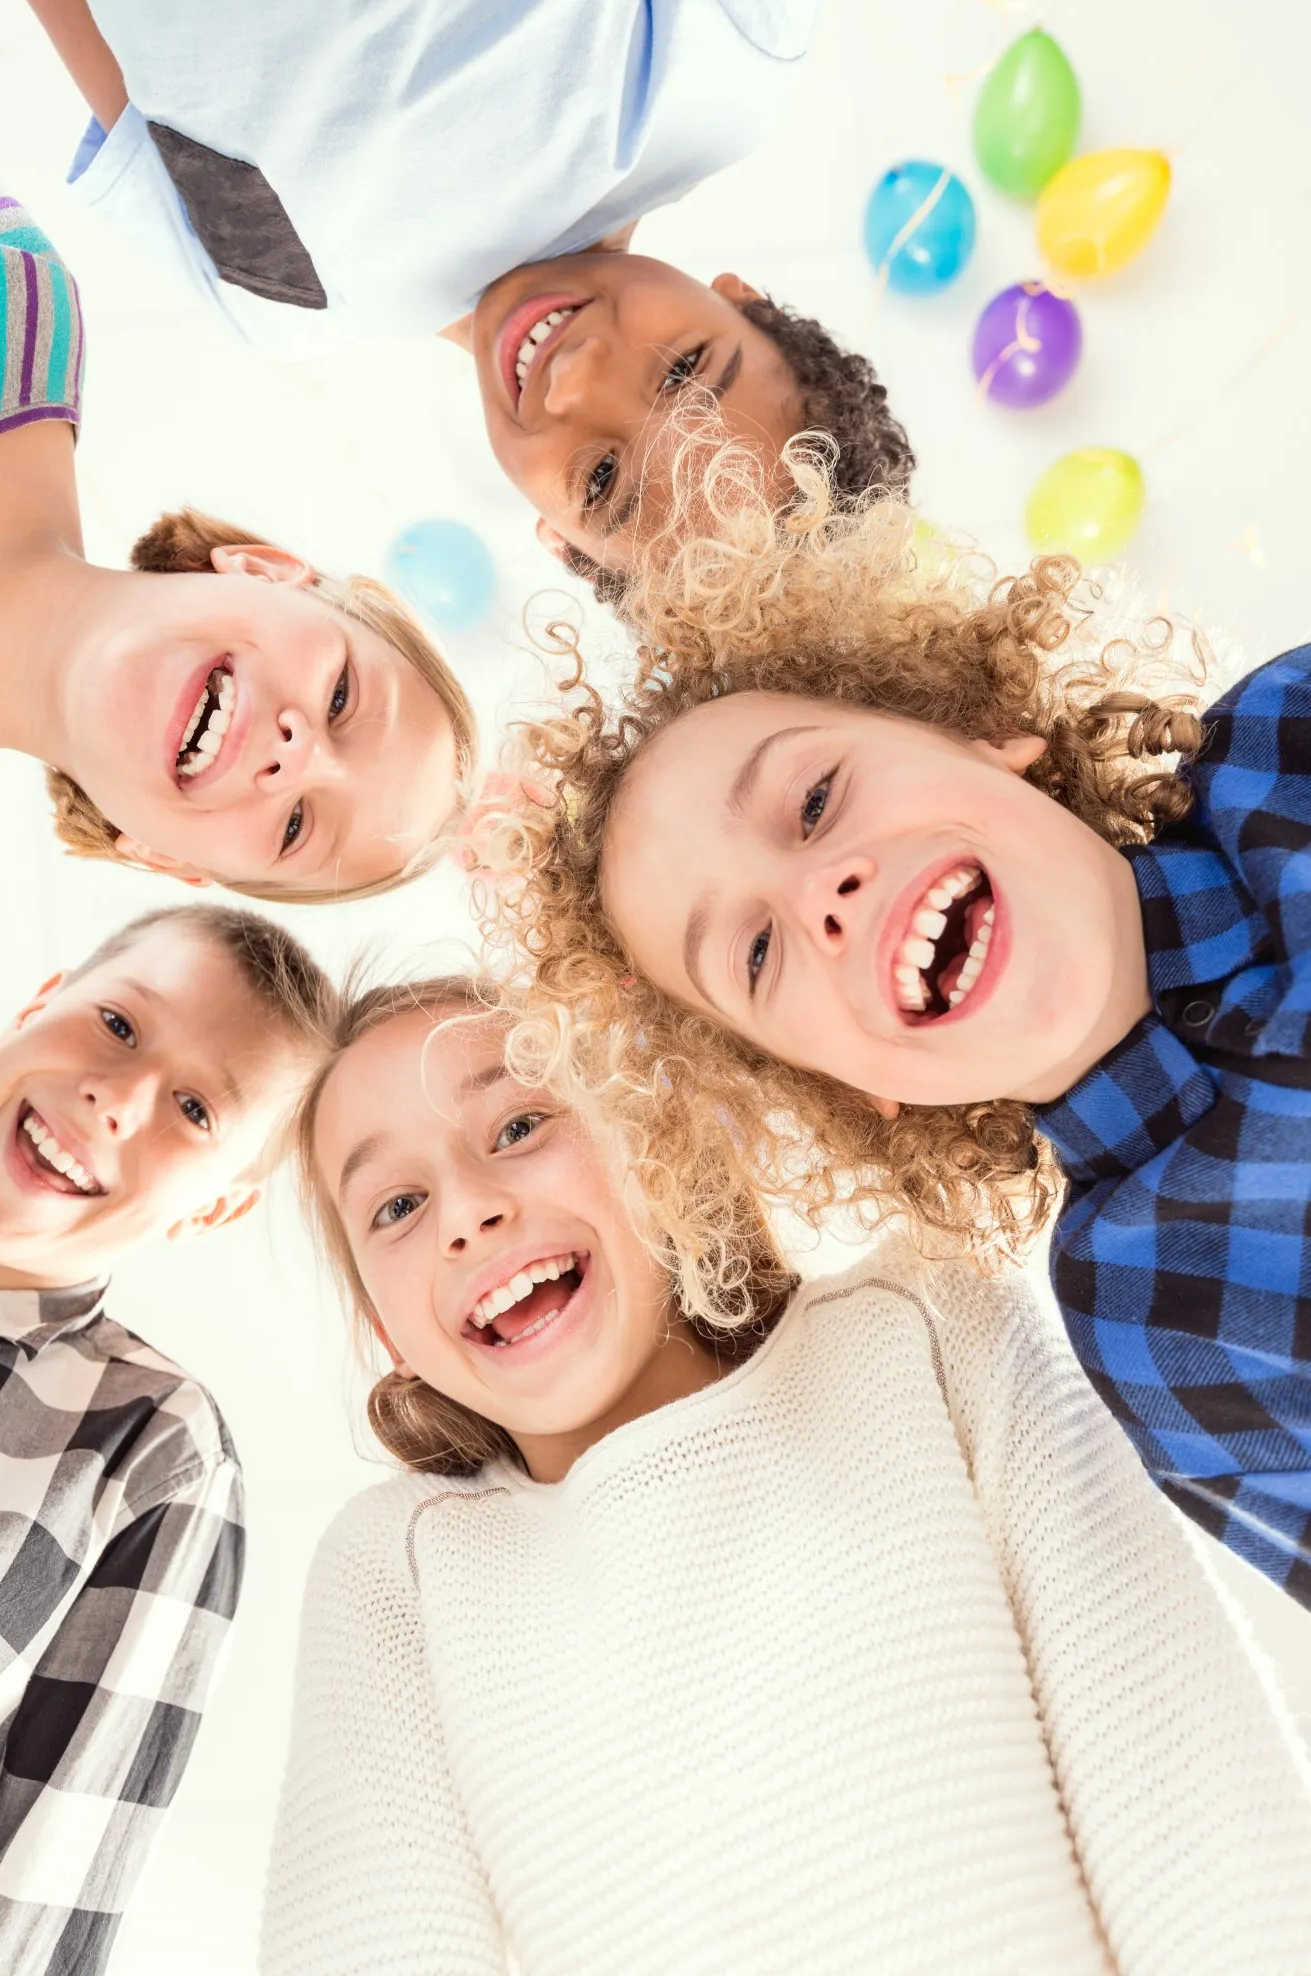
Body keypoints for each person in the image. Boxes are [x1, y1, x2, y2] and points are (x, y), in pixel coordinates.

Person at [259, 971, 1311, 1976]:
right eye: (394, 1206)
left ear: (649, 1135)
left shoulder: (934, 1324)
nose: (465, 1212)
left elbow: (1202, 1808)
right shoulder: (400, 1572)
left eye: (520, 1126)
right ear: (384, 1330)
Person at [482, 473, 1311, 1604]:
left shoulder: (1286, 736)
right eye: (758, 955)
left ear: (983, 736)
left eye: (816, 799)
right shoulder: (1147, 1311)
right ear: (852, 1086)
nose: (824, 891)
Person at [0, 0, 915, 600]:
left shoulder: (281, 311)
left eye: (603, 484)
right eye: (687, 370)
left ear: (555, 536)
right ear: (751, 301)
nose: (586, 373)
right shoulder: (710, 73)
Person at [0, 902, 335, 1975]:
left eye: (197, 1107)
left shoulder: (156, 1458)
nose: (118, 1098)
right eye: (118, 1024)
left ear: (214, 1209)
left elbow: (37, 1912)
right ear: (37, 1005)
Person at [0, 83, 476, 907]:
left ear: (160, 861)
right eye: (344, 695)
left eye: (295, 829)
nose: (301, 757)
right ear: (265, 568)